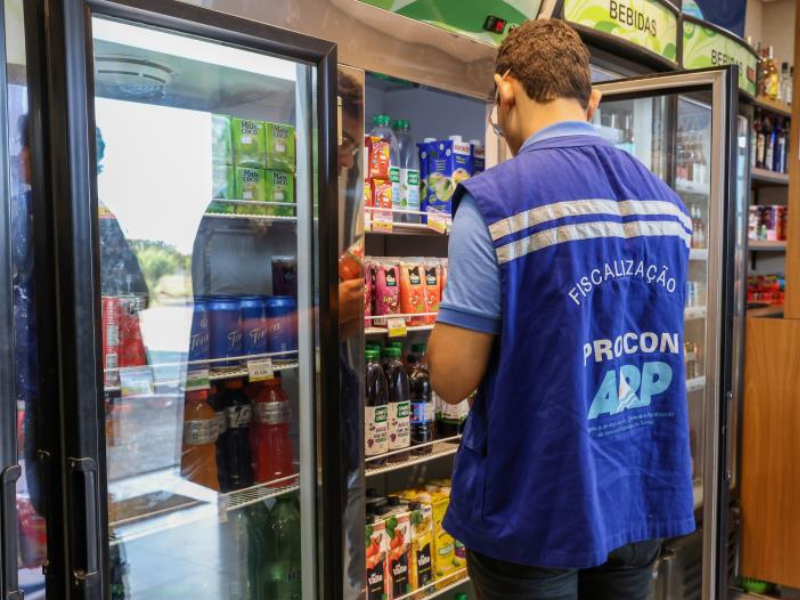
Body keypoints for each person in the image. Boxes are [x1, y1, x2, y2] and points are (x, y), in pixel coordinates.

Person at [427, 19, 695, 600]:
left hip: (535, 504)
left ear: (505, 91)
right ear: (591, 101)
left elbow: (450, 378)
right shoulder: (669, 207)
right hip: (636, 489)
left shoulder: (495, 201)